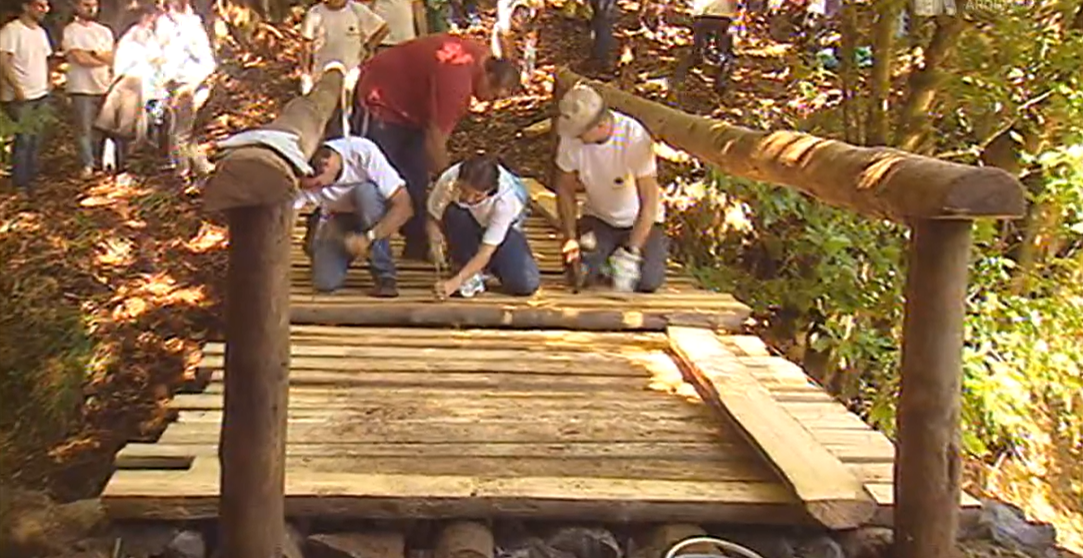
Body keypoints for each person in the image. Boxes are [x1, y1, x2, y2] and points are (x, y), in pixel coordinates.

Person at [351, 33, 521, 261]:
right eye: (492, 94)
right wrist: (450, 186)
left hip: (413, 110)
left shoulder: (482, 59)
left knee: (417, 178)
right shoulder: (456, 83)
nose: (490, 101)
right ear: (487, 76)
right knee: (375, 180)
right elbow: (435, 141)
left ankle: (417, 244)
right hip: (380, 96)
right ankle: (367, 250)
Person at [553, 83, 668, 293]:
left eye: (581, 133)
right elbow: (565, 188)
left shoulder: (634, 137)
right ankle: (604, 260)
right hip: (599, 219)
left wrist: (632, 250)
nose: (576, 137)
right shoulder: (571, 139)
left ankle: (617, 257)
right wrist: (569, 236)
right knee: (578, 273)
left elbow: (650, 202)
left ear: (600, 125)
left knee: (647, 281)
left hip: (638, 222)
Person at [295, 136, 413, 297]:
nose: (315, 190)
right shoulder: (303, 173)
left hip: (371, 214)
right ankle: (320, 238)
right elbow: (289, 217)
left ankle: (384, 275)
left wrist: (369, 238)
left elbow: (404, 206)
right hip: (336, 220)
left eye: (317, 184)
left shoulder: (362, 151)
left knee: (365, 193)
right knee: (324, 283)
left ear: (327, 164)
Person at [427, 155, 539, 298]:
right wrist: (434, 236)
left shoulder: (505, 201)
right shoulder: (449, 179)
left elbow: (486, 251)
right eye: (464, 190)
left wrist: (454, 283)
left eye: (477, 196)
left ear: (491, 190)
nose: (469, 199)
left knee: (525, 284)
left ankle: (482, 269)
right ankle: (464, 264)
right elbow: (432, 215)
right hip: (465, 222)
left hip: (505, 231)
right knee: (455, 212)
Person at [300, 0, 388, 139]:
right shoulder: (314, 13)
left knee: (352, 114)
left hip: (352, 73)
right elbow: (306, 45)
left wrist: (369, 47)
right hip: (322, 75)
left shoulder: (357, 10)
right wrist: (305, 72)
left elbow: (383, 28)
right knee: (325, 116)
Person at [155, 0, 217, 178]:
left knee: (181, 132)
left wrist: (192, 85)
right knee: (181, 130)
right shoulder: (165, 23)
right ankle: (196, 167)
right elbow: (163, 58)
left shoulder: (191, 25)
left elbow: (206, 60)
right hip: (174, 84)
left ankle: (184, 171)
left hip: (191, 83)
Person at [1, 0, 55, 194]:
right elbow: (4, 61)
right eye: (39, 5)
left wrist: (49, 80)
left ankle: (32, 177)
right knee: (23, 139)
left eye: (46, 6)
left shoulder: (40, 32)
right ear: (26, 6)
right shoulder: (12, 30)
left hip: (40, 92)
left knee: (36, 138)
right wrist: (16, 87)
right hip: (21, 95)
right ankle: (21, 183)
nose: (44, 10)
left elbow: (46, 59)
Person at [63, 0, 114, 179]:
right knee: (83, 129)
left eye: (94, 5)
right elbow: (78, 58)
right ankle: (87, 164)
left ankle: (100, 163)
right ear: (77, 6)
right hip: (81, 87)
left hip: (103, 86)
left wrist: (91, 54)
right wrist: (99, 56)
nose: (91, 8)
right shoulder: (71, 30)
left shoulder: (104, 31)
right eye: (86, 4)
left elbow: (112, 57)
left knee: (101, 129)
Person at [674, 0, 736, 92]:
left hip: (701, 15)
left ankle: (681, 78)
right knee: (724, 53)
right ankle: (720, 83)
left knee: (698, 49)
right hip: (722, 15)